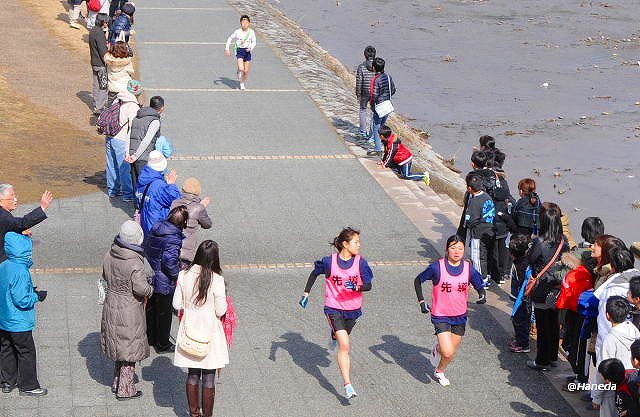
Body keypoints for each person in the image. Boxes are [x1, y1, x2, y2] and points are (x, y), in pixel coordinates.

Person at [298, 227, 373, 399]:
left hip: (353, 310)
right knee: (345, 345)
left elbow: (368, 285)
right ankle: (348, 385)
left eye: (359, 242)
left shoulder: (360, 263)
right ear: (345, 244)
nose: (359, 245)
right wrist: (306, 293)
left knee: (342, 335)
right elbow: (314, 273)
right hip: (333, 308)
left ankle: (334, 335)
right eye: (356, 242)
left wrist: (357, 286)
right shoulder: (329, 262)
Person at [414, 235, 486, 386]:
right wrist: (422, 302)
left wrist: (482, 294)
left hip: (460, 315)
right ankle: (440, 356)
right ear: (447, 250)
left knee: (450, 351)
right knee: (448, 352)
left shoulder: (468, 268)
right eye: (453, 248)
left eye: (460, 248)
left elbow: (478, 282)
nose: (457, 251)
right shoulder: (437, 267)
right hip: (441, 315)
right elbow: (418, 280)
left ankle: (439, 369)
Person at [173, 240, 228, 417]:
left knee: (192, 375)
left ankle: (194, 413)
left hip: (189, 329)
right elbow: (221, 310)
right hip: (210, 332)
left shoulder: (184, 275)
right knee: (209, 378)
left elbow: (176, 303)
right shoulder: (217, 280)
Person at [101, 220, 153, 400]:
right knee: (129, 349)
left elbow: (105, 276)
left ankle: (116, 382)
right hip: (129, 309)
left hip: (111, 304)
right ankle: (125, 389)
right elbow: (141, 289)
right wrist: (151, 289)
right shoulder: (135, 262)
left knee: (119, 346)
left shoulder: (109, 254)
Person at [591, 246, 639, 412]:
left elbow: (604, 368)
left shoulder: (610, 338)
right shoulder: (634, 331)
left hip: (613, 384)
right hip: (631, 382)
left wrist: (596, 396)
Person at [0, 233, 48, 396]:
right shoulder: (21, 271)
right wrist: (37, 296)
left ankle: (7, 381)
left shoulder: (4, 265)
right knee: (26, 352)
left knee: (6, 349)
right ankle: (29, 386)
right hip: (18, 321)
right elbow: (22, 300)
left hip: (3, 318)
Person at [526, 202, 568, 371]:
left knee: (543, 326)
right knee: (553, 322)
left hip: (542, 287)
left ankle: (542, 361)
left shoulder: (539, 242)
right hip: (557, 288)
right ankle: (552, 356)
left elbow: (530, 260)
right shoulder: (563, 241)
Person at [144, 206, 188, 353]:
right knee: (164, 313)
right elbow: (169, 262)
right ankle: (162, 343)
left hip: (151, 274)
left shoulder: (157, 227)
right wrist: (179, 275)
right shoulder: (173, 238)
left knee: (151, 308)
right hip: (163, 281)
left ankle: (150, 337)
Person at [105, 80, 143, 202]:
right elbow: (133, 127)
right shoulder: (133, 106)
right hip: (121, 139)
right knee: (124, 168)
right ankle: (128, 194)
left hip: (109, 136)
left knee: (111, 165)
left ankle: (112, 190)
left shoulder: (118, 99)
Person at [0, 185, 53, 264]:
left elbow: (6, 227)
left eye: (15, 196)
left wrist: (19, 231)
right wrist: (42, 207)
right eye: (11, 197)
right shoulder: (3, 216)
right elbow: (22, 223)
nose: (16, 200)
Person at [459, 172, 495, 288]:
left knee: (477, 257)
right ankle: (485, 276)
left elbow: (469, 221)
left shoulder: (474, 201)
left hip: (478, 233)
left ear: (469, 188)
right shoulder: (487, 197)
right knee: (484, 255)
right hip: (489, 231)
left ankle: (481, 279)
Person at [135, 151, 181, 235]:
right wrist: (171, 184)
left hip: (144, 220)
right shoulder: (159, 185)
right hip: (157, 225)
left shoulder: (141, 178)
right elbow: (175, 199)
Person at [126, 96, 165, 192]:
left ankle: (136, 207)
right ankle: (143, 206)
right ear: (162, 108)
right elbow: (146, 141)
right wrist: (135, 156)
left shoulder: (137, 116)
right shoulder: (154, 121)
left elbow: (128, 135)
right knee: (145, 186)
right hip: (143, 157)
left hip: (131, 155)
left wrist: (127, 154)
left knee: (136, 184)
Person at [170, 178, 212, 266]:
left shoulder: (174, 203)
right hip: (188, 250)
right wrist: (201, 207)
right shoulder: (199, 208)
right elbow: (207, 224)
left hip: (172, 245)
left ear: (183, 190)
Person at [366, 57, 396, 157]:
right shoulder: (388, 77)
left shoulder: (376, 79)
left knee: (376, 127)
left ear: (374, 68)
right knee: (383, 127)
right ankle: (386, 148)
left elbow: (373, 95)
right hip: (387, 105)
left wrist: (372, 105)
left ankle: (378, 149)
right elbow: (393, 90)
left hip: (379, 107)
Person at [508, 233, 532, 353]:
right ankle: (521, 339)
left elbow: (519, 283)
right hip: (525, 297)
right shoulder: (528, 260)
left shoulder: (519, 265)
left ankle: (523, 344)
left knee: (519, 319)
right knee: (524, 319)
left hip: (521, 297)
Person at [224, 15, 256, 90]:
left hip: (247, 51)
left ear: (249, 23)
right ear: (240, 23)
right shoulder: (237, 32)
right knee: (241, 68)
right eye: (243, 22)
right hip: (239, 50)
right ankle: (240, 75)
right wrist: (227, 49)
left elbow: (254, 41)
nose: (244, 24)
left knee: (246, 71)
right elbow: (230, 38)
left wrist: (251, 47)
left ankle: (242, 82)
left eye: (246, 22)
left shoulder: (251, 32)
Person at [88, 13, 110, 114]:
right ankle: (99, 107)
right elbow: (103, 51)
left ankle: (96, 104)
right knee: (103, 86)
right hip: (101, 64)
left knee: (96, 84)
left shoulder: (93, 30)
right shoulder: (100, 33)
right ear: (103, 22)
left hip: (94, 61)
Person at [355, 45, 376, 138]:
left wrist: (358, 94)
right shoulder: (378, 65)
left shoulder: (361, 66)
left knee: (363, 110)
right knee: (374, 113)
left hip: (364, 92)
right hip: (375, 92)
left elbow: (359, 81)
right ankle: (371, 135)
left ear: (365, 55)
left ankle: (363, 131)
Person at [105, 41, 134, 106]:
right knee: (124, 108)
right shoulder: (127, 61)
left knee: (110, 108)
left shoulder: (108, 60)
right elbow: (131, 71)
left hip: (112, 88)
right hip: (124, 88)